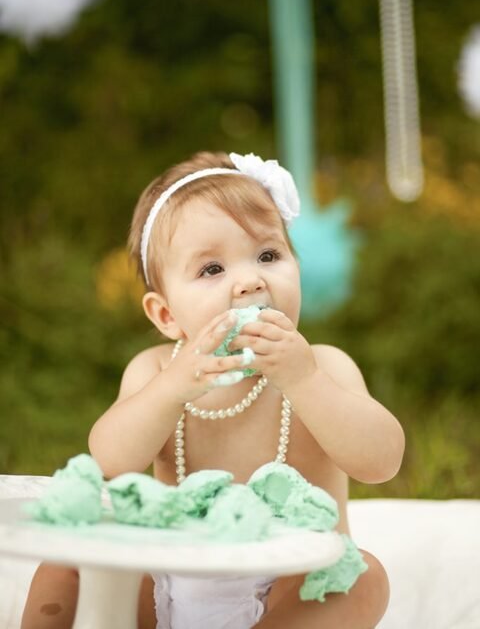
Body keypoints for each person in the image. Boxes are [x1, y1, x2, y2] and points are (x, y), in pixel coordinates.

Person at [22, 150, 405, 629]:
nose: (249, 282)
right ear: (165, 315)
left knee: (363, 578)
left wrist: (305, 380)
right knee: (65, 565)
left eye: (268, 255)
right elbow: (108, 462)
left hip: (291, 587)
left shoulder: (323, 368)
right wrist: (170, 391)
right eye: (211, 270)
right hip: (171, 576)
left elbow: (382, 461)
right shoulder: (155, 371)